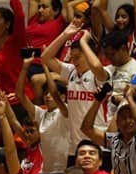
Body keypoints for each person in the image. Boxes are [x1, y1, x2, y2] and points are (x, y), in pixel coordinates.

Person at [42, 21, 112, 160]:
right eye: (72, 57)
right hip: (75, 147)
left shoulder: (102, 74)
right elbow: (46, 57)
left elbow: (97, 66)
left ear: (88, 53)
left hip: (98, 146)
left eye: (78, 57)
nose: (74, 61)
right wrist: (65, 34)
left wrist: (84, 42)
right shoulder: (71, 72)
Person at [17, 56, 70, 174]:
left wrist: (45, 66)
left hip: (61, 173)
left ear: (63, 97)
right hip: (45, 172)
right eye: (45, 94)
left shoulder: (66, 112)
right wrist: (25, 67)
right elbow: (20, 95)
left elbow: (55, 91)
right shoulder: (42, 114)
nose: (47, 96)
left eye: (51, 94)